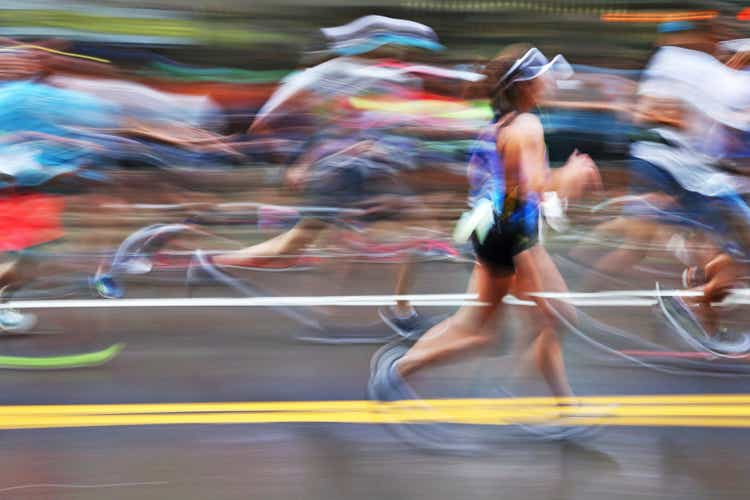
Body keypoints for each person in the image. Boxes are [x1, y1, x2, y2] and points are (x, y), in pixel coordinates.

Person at [369, 44, 601, 402]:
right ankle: (400, 372)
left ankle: (563, 406)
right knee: (538, 321)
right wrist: (573, 174)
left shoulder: (501, 125)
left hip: (499, 231)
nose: (550, 81)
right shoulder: (526, 125)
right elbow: (535, 188)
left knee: (495, 325)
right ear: (526, 86)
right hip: (513, 235)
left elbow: (508, 187)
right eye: (544, 76)